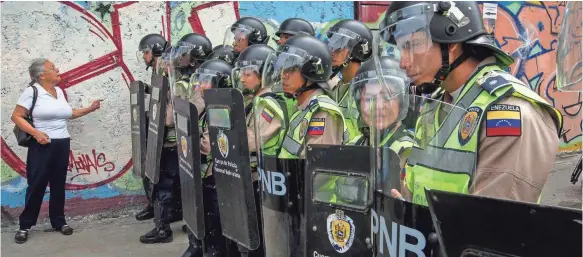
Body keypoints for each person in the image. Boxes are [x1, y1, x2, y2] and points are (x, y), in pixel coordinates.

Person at [378, 1, 563, 205]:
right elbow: (419, 185)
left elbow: (492, 223)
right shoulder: (435, 107)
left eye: (412, 46)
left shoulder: (509, 113)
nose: (403, 62)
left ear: (450, 40)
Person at [11, 58, 101, 244]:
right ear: (42, 75)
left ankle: (58, 221)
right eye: (53, 68)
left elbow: (68, 114)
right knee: (37, 184)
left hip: (62, 143)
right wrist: (36, 133)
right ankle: (25, 225)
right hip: (42, 144)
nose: (58, 69)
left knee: (58, 184)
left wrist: (89, 109)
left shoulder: (59, 91)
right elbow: (17, 116)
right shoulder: (32, 92)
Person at [232, 44, 287, 257]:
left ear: (264, 74)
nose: (243, 79)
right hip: (254, 177)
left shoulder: (267, 105)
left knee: (260, 240)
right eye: (242, 73)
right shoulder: (254, 101)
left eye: (248, 74)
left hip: (263, 180)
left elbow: (251, 141)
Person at [169, 32, 213, 257]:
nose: (180, 57)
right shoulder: (194, 79)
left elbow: (194, 113)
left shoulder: (206, 82)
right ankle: (197, 244)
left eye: (184, 53)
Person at [191, 59, 234, 256]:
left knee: (215, 219)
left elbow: (208, 146)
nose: (200, 85)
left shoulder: (219, 108)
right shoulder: (211, 106)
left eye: (206, 82)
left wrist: (192, 141)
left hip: (215, 175)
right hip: (207, 174)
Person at [134, 33, 168, 221]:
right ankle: (153, 204)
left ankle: (161, 212)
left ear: (155, 51)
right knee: (151, 169)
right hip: (156, 125)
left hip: (165, 129)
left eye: (146, 52)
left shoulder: (165, 69)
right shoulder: (157, 70)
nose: (145, 56)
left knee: (160, 174)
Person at [323, 19, 373, 142]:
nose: (332, 53)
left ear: (356, 51)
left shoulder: (366, 92)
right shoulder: (339, 87)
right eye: (332, 46)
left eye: (339, 48)